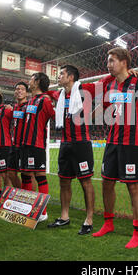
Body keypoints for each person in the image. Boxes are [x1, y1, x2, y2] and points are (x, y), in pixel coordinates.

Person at [92, 47, 138, 249]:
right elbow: (99, 113)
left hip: (132, 144)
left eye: (111, 61)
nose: (108, 65)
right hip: (112, 142)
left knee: (133, 187)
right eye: (108, 61)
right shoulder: (110, 86)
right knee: (106, 183)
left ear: (124, 61)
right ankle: (108, 223)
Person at [46, 65, 97, 235]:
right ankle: (64, 216)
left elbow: (106, 82)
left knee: (85, 182)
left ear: (71, 77)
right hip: (65, 144)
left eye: (61, 74)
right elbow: (44, 91)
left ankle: (89, 219)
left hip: (81, 143)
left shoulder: (84, 89)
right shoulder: (58, 95)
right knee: (64, 181)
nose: (58, 76)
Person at [19, 72, 56, 223]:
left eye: (31, 78)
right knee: (26, 175)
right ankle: (29, 208)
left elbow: (54, 117)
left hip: (37, 144)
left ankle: (43, 212)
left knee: (40, 176)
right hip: (25, 144)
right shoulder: (30, 101)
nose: (29, 81)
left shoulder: (44, 101)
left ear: (38, 81)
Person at [9, 81, 30, 189]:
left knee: (27, 174)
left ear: (26, 93)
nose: (19, 91)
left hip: (25, 145)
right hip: (14, 144)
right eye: (17, 89)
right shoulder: (15, 107)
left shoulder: (29, 106)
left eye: (22, 89)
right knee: (11, 173)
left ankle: (31, 197)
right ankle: (20, 193)